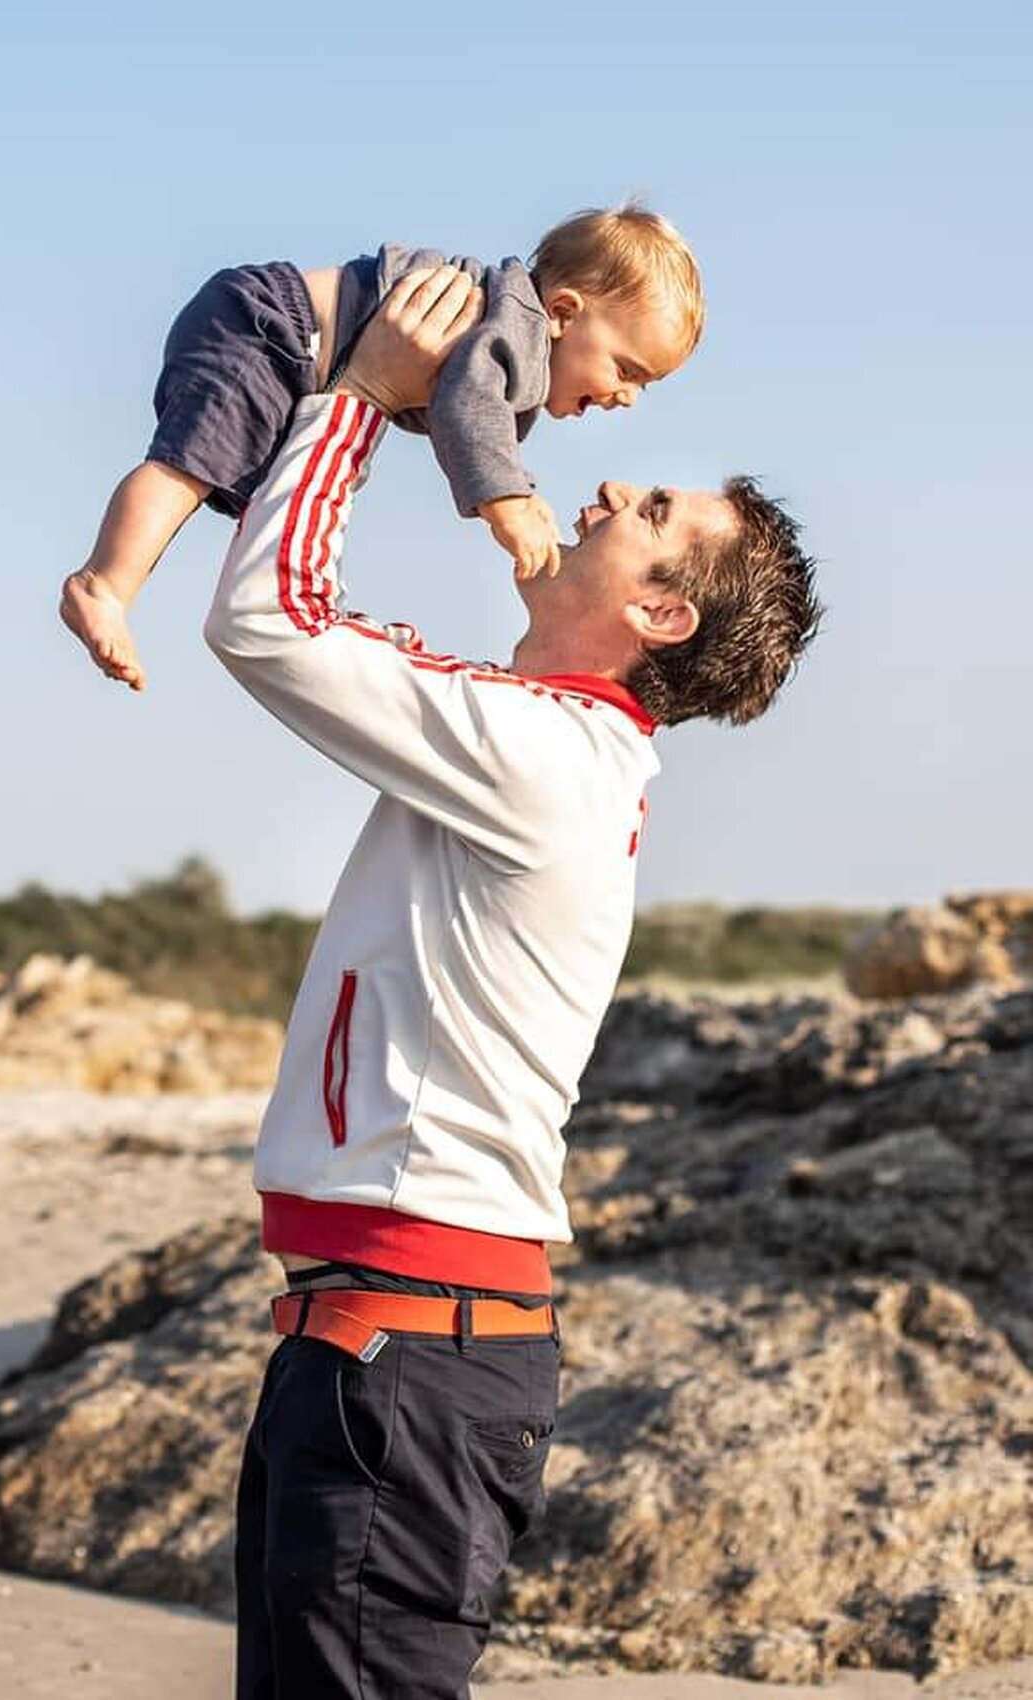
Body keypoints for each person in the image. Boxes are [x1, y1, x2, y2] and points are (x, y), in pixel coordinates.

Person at [203, 267, 822, 1700]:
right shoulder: (538, 735)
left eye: (653, 514)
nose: (604, 492)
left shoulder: (542, 755)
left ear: (663, 617)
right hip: (385, 1351)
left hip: (405, 1363)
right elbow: (313, 617)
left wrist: (360, 397)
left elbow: (271, 624)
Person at [61, 203, 705, 691]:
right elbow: (466, 407)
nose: (627, 398)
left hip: (281, 342)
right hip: (268, 329)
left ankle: (114, 582)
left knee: (241, 490)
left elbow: (471, 426)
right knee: (185, 472)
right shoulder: (519, 335)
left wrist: (513, 487)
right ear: (564, 312)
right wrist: (508, 500)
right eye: (627, 370)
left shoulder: (522, 362)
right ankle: (103, 584)